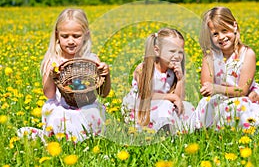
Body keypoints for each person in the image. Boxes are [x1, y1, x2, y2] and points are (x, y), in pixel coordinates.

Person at [18, 8, 111, 142]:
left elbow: (104, 94)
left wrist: (106, 75)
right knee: (61, 115)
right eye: (65, 36)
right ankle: (64, 139)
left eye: (76, 36)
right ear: (57, 36)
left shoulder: (91, 60)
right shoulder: (54, 60)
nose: (71, 41)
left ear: (86, 35)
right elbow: (49, 94)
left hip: (85, 106)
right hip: (61, 107)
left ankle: (84, 140)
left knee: (92, 111)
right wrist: (51, 74)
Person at [190, 7, 259, 131]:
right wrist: (215, 89)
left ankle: (233, 130)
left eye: (224, 30)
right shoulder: (210, 57)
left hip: (242, 95)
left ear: (234, 26)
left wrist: (218, 88)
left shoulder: (247, 54)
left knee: (240, 107)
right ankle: (215, 129)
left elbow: (242, 90)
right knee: (208, 105)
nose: (221, 37)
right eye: (215, 34)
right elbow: (206, 86)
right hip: (218, 97)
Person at [121, 28, 195, 134]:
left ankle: (184, 131)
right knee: (165, 105)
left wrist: (180, 80)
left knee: (186, 107)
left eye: (180, 52)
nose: (177, 56)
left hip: (163, 108)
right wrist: (171, 97)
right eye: (172, 51)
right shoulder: (144, 69)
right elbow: (145, 95)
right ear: (157, 51)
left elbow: (179, 100)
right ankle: (164, 132)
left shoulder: (173, 71)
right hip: (141, 109)